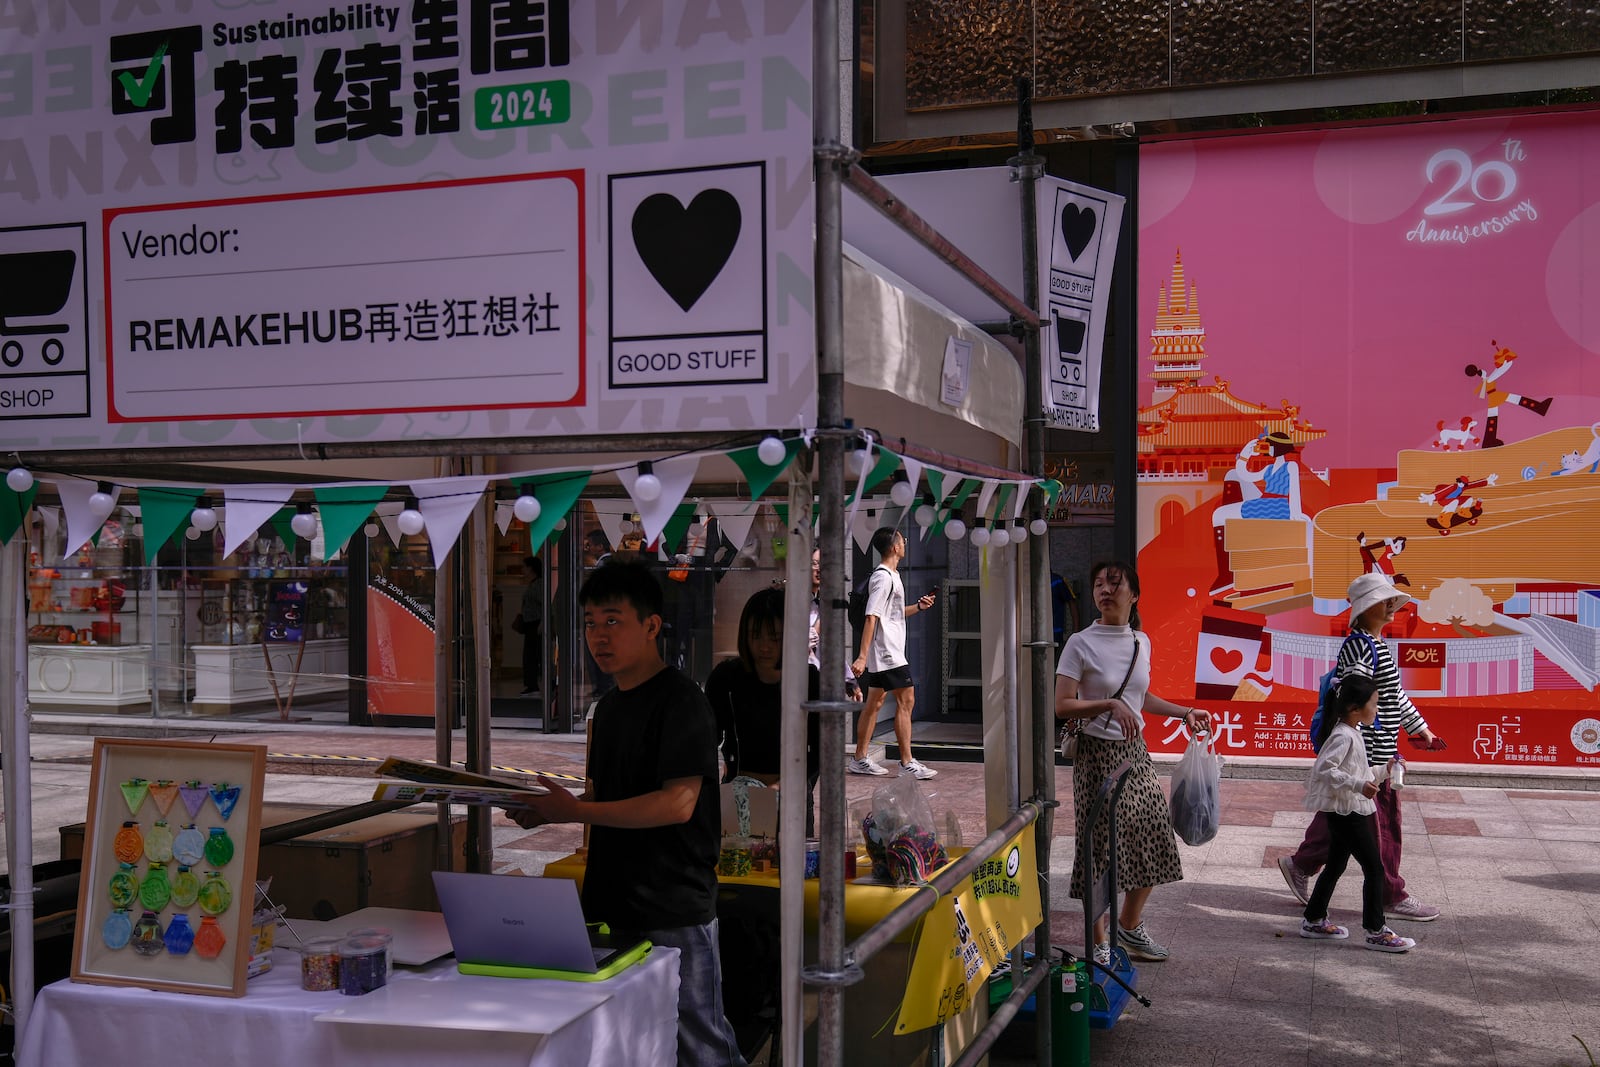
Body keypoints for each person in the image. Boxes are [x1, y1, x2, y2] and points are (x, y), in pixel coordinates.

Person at [511, 560, 745, 1067]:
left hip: (674, 909)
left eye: (613, 620)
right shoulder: (610, 708)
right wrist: (547, 810)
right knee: (628, 1040)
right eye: (591, 622)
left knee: (700, 1043)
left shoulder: (683, 702)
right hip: (609, 905)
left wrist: (573, 811)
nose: (599, 636)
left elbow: (678, 804)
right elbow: (599, 797)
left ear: (652, 626)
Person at [1055, 560, 1212, 968]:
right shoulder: (1080, 642)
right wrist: (1108, 703)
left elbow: (1140, 698)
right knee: (1100, 849)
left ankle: (1130, 924)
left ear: (1134, 595)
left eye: (1114, 583)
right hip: (1095, 756)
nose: (1105, 590)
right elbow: (1062, 705)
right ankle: (1099, 942)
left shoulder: (1141, 641)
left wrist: (1183, 712)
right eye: (1099, 584)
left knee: (1156, 832)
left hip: (1134, 753)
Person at [1278, 571, 1442, 923]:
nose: (1390, 607)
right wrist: (1359, 754)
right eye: (1383, 601)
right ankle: (1390, 894)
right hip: (1367, 756)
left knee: (1346, 819)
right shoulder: (1359, 645)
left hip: (1378, 753)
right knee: (1378, 825)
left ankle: (1302, 863)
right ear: (1366, 608)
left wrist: (1420, 728)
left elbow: (1392, 697)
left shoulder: (1376, 645)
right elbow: (1353, 695)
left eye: (1389, 601)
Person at [1299, 673, 1416, 952]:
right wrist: (1357, 785)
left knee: (1336, 865)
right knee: (1375, 870)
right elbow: (1325, 770)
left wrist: (1386, 770)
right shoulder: (1342, 735)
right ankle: (1376, 930)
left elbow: (1359, 772)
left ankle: (1314, 919)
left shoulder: (1352, 732)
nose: (1376, 710)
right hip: (1350, 812)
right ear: (1354, 708)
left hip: (1347, 809)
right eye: (1373, 705)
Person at [706, 587, 821, 827]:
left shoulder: (808, 680)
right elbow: (707, 739)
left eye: (775, 638)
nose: (764, 646)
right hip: (738, 795)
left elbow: (819, 751)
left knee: (788, 863)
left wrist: (786, 786)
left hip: (792, 797)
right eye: (756, 635)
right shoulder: (726, 678)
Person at [848, 527, 937, 780]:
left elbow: (891, 614)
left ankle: (860, 758)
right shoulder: (883, 578)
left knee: (874, 703)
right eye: (903, 540)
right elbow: (871, 616)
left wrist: (918, 607)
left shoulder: (891, 576)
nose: (905, 543)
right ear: (895, 547)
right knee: (906, 700)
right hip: (888, 652)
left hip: (888, 650)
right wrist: (862, 656)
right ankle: (907, 762)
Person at [810, 548, 861, 701]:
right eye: (815, 564)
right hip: (799, 683)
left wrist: (850, 682)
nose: (820, 569)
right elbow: (801, 643)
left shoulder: (820, 602)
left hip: (822, 684)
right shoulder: (792, 601)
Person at [514, 556, 544, 695]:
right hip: (531, 623)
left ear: (531, 568)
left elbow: (544, 605)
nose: (523, 569)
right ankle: (532, 684)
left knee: (533, 655)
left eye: (524, 566)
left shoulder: (538, 585)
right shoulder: (533, 584)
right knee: (531, 655)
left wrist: (543, 623)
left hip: (536, 623)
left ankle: (534, 684)